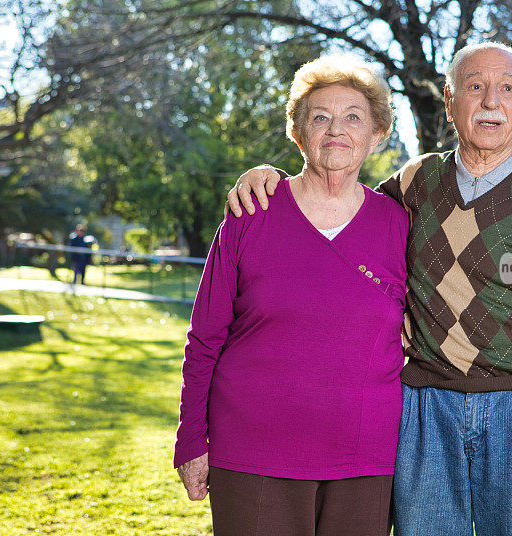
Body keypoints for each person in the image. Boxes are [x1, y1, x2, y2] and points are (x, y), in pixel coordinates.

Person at [226, 42, 512, 536]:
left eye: (507, 89)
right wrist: (270, 178)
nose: (491, 102)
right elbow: (337, 199)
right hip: (426, 405)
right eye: (475, 88)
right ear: (451, 103)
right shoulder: (416, 182)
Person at [173, 54, 409, 536]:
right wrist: (191, 438)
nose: (336, 129)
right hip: (253, 451)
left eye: (353, 118)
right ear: (297, 134)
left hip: (366, 457)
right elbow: (204, 340)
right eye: (320, 117)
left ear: (376, 135)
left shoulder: (400, 223)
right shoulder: (250, 213)